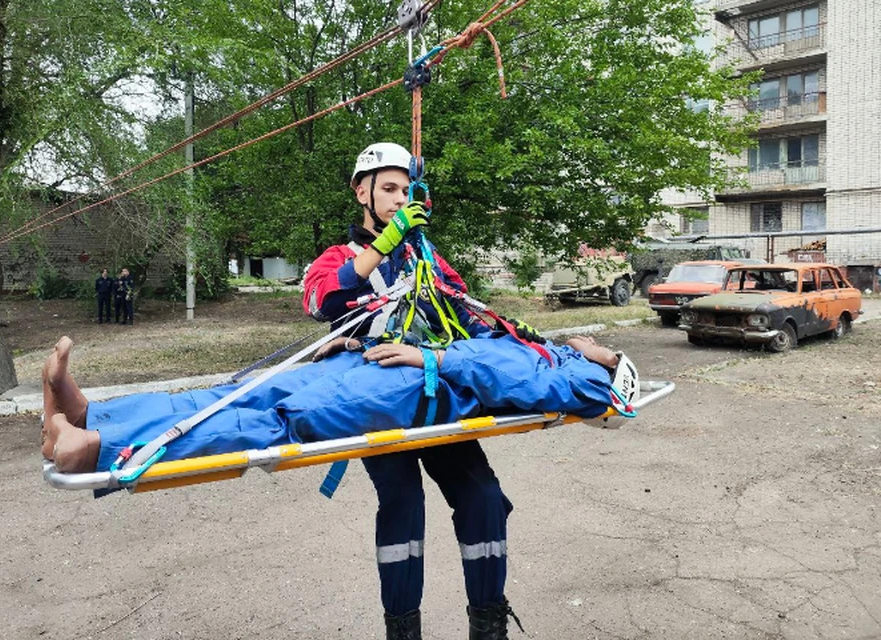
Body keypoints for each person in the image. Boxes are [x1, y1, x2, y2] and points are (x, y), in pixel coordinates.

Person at [300, 142, 585, 639]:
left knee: (484, 497)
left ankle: (489, 621)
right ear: (361, 191)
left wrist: (521, 342)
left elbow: (468, 315)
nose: (399, 199)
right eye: (389, 189)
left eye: (406, 191)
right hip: (380, 401)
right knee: (404, 503)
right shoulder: (338, 257)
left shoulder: (427, 260)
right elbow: (322, 301)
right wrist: (384, 245)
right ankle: (403, 630)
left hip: (434, 395)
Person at [41, 333, 632, 477]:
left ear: (610, 364)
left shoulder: (580, 377)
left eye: (607, 348)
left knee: (268, 422)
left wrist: (437, 361)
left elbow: (490, 371)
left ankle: (97, 448)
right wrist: (369, 341)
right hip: (381, 366)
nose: (594, 341)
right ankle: (91, 414)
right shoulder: (539, 345)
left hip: (409, 389)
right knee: (238, 395)